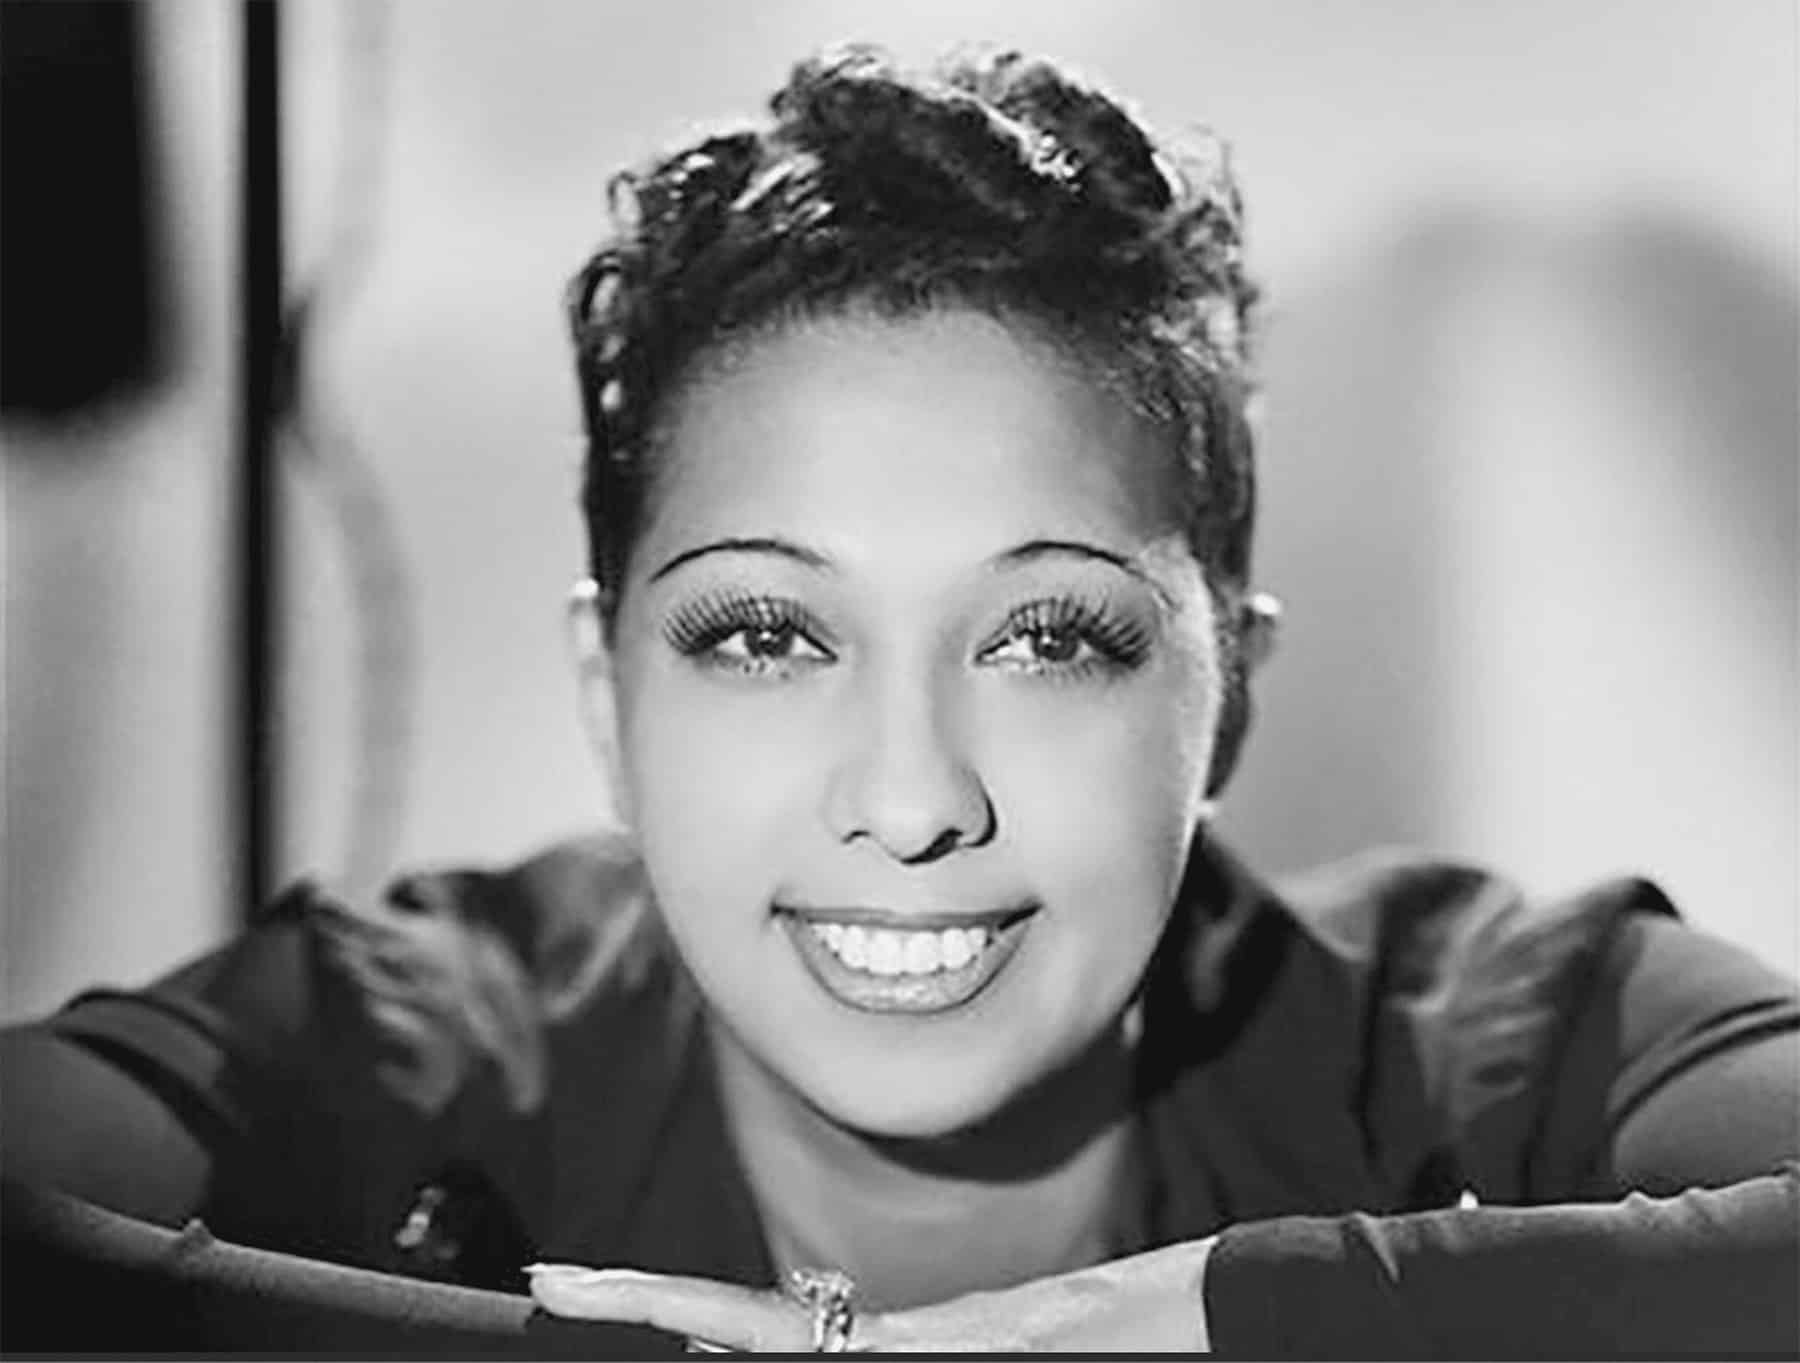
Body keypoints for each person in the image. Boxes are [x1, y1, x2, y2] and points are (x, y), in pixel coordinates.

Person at [3, 43, 1796, 1356]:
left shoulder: (1472, 1029)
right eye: (769, 634)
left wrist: (1208, 1318)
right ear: (605, 694)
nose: (916, 795)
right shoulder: (419, 1031)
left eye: (1048, 637)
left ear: (1228, 688)